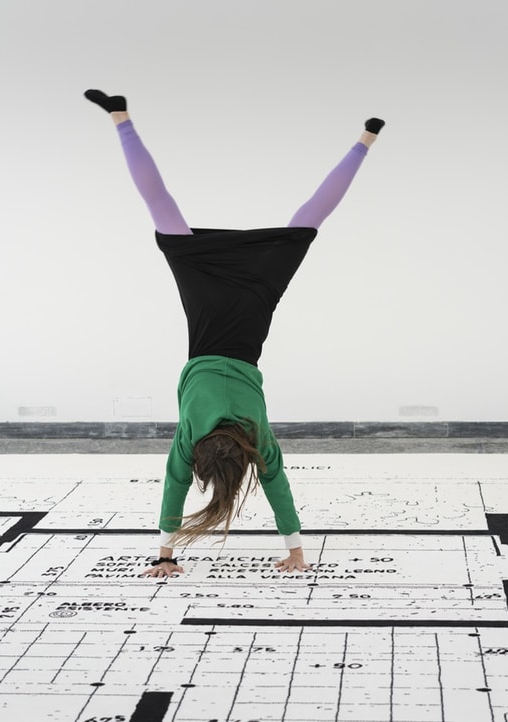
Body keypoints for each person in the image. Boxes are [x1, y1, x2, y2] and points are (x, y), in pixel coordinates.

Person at [83, 89, 383, 578]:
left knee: (308, 220)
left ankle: (366, 140)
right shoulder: (191, 434)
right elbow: (173, 486)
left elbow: (278, 485)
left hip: (255, 296)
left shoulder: (256, 437)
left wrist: (297, 550)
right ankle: (120, 116)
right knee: (161, 207)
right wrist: (165, 554)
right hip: (203, 295)